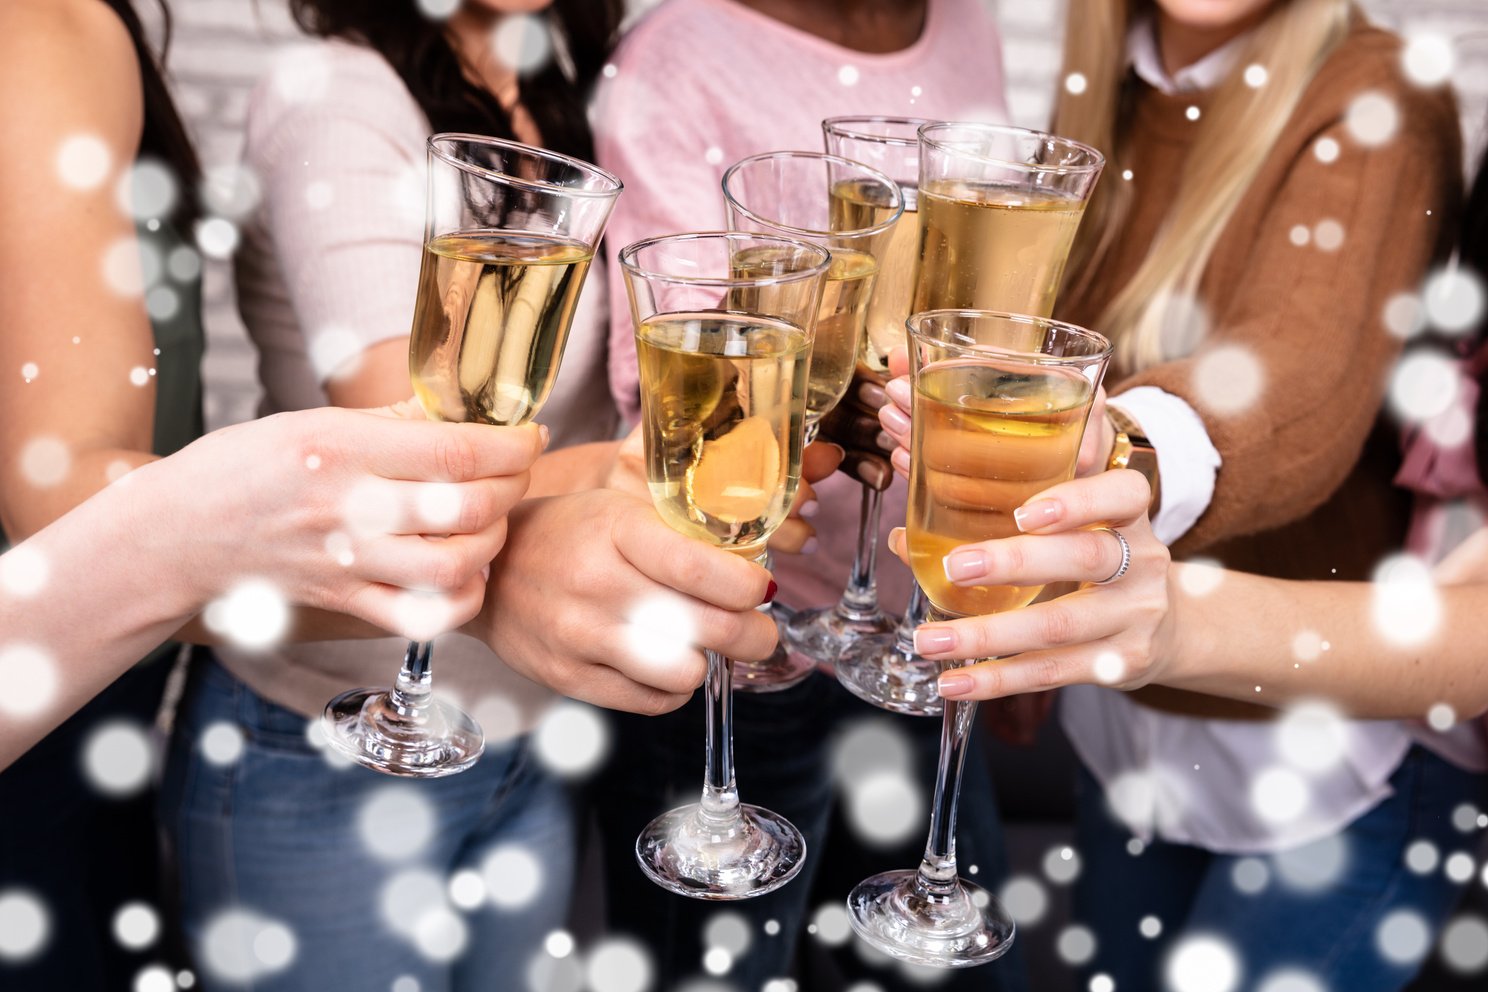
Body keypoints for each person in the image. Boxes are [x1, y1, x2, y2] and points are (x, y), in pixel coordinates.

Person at [864, 6, 1488, 980]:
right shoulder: (1121, 88)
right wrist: (1033, 586)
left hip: (1320, 763)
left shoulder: (1381, 92)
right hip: (1129, 737)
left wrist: (1121, 454)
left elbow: (1301, 374)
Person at [590, 1, 1031, 989]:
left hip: (917, 634)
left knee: (957, 958)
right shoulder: (673, 56)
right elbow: (674, 400)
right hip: (751, 637)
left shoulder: (967, 24)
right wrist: (845, 402)